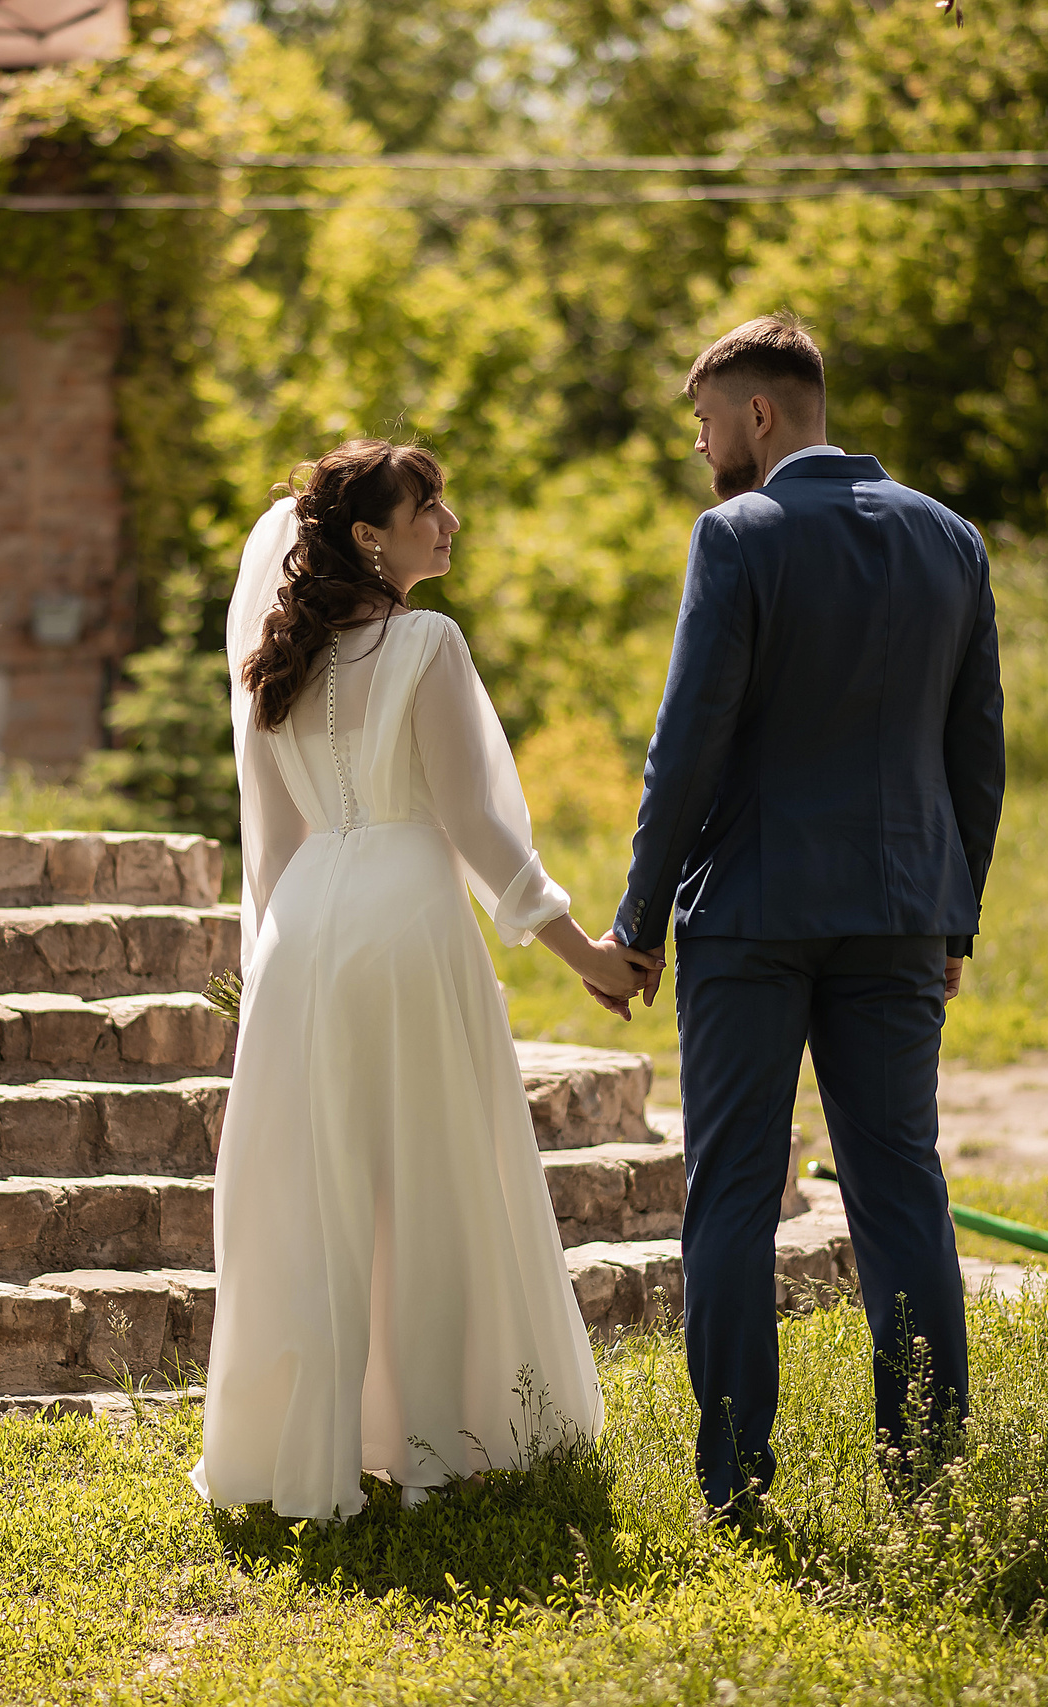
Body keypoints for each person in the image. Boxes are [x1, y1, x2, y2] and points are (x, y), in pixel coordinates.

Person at [189, 439, 659, 1521]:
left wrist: (267, 952)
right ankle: (437, 1438)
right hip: (404, 924)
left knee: (320, 1190)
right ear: (370, 535)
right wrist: (584, 950)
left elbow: (271, 840)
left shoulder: (278, 659)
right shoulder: (428, 643)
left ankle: (310, 1445)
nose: (449, 523)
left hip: (306, 931)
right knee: (431, 1177)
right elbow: (475, 827)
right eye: (427, 506)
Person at [599, 313, 1005, 1521]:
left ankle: (734, 1484)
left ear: (758, 416)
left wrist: (639, 922)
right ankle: (925, 1475)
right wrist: (950, 921)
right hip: (897, 916)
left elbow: (688, 745)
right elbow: (976, 753)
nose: (700, 446)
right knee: (901, 1185)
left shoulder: (737, 535)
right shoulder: (951, 539)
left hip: (753, 916)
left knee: (730, 1189)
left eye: (705, 422)